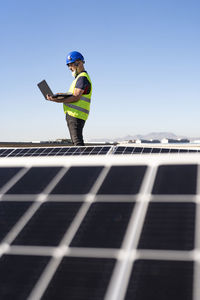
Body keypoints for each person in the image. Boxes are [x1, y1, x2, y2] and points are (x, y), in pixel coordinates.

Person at [47, 51, 92, 146]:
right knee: (76, 142)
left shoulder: (82, 78)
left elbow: (75, 97)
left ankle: (82, 159)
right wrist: (61, 95)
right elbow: (74, 94)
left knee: (77, 143)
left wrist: (57, 100)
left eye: (70, 65)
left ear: (78, 63)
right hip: (75, 115)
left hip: (76, 115)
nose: (69, 68)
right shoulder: (79, 78)